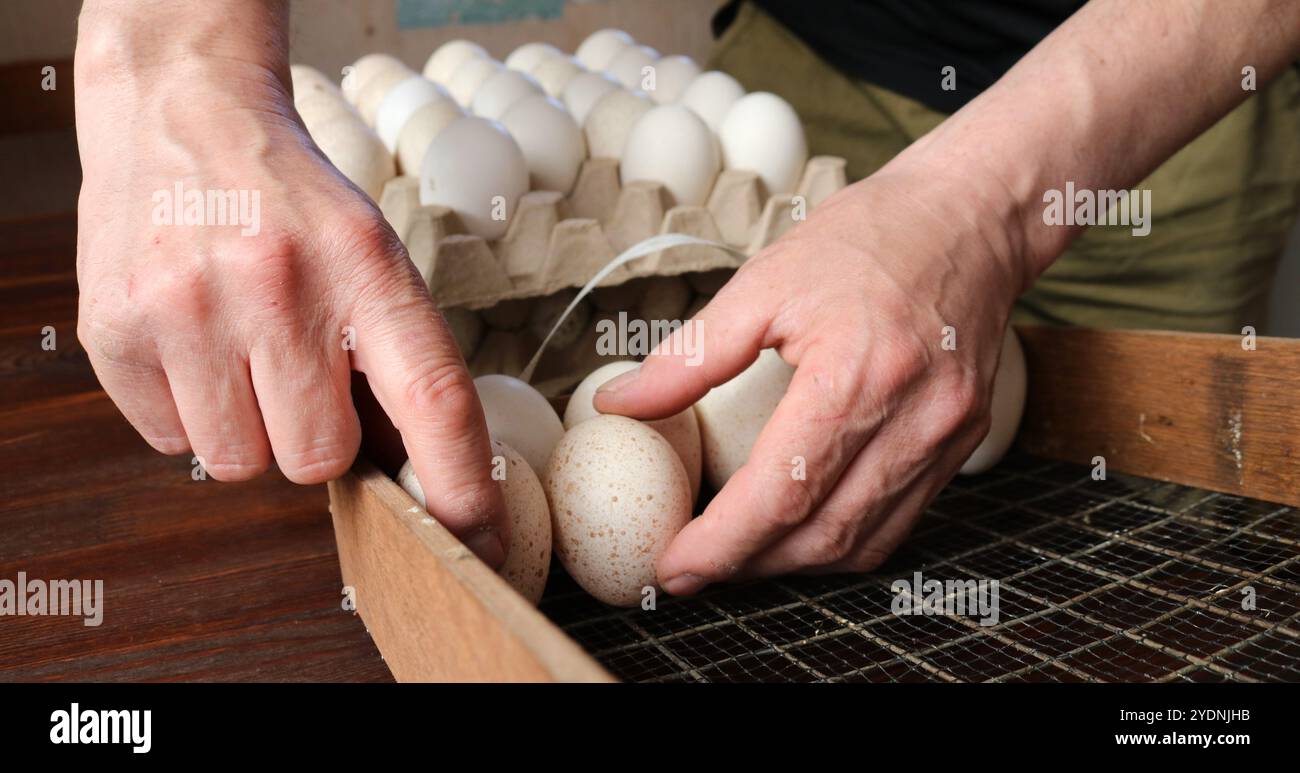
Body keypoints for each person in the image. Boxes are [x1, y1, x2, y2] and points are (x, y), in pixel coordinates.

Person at [74, 0, 1300, 596]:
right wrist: (179, 66)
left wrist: (984, 206)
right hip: (804, 62)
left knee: (1141, 515)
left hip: (1152, 108)